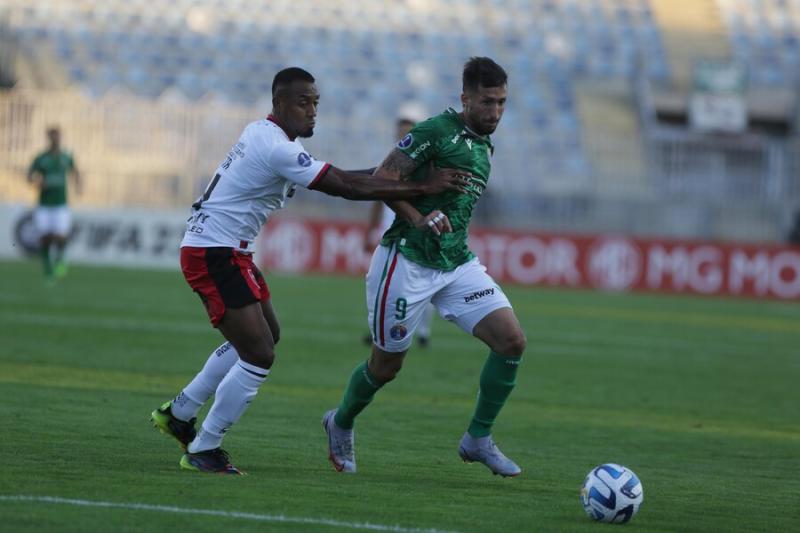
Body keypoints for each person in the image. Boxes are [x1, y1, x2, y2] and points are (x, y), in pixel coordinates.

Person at [150, 67, 470, 475]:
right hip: (214, 252)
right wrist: (422, 187)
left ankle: (180, 412)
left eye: (316, 102)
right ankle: (204, 447)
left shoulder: (267, 136)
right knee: (259, 353)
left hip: (229, 251)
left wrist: (397, 173)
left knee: (268, 337)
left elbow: (344, 177)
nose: (313, 111)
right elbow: (346, 188)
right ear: (279, 103)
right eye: (304, 103)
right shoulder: (278, 148)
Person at [323, 57, 526, 477]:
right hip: (407, 261)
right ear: (465, 98)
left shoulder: (484, 142)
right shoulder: (434, 132)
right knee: (386, 367)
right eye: (488, 102)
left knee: (511, 341)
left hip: (455, 262)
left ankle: (478, 439)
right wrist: (418, 216)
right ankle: (340, 421)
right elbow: (382, 178)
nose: (496, 112)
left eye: (502, 102)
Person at [362, 116, 436, 348]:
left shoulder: (425, 164)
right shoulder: (389, 162)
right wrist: (370, 229)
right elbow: (376, 197)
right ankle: (381, 330)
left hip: (414, 229)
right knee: (384, 282)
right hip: (390, 230)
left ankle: (423, 331)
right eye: (401, 133)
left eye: (408, 133)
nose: (404, 137)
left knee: (420, 281)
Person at [27, 126, 81, 282]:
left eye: (57, 136)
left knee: (60, 236)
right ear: (48, 138)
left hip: (60, 204)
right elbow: (30, 176)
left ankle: (60, 258)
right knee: (45, 237)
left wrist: (78, 184)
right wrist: (37, 182)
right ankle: (48, 269)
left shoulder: (66, 157)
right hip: (44, 204)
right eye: (52, 137)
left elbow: (75, 171)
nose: (55, 140)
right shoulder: (41, 158)